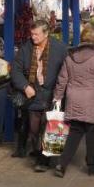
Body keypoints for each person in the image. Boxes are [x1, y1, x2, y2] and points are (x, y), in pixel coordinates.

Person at [52, 24, 94, 178]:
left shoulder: (69, 57)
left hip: (75, 101)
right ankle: (93, 167)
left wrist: (57, 98)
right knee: (93, 136)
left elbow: (62, 80)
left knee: (74, 134)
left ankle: (62, 164)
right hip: (93, 101)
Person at [10, 19, 67, 172]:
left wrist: (62, 92)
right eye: (31, 34)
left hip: (54, 93)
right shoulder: (26, 48)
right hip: (33, 95)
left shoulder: (60, 48)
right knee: (35, 129)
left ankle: (44, 160)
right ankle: (40, 152)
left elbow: (67, 71)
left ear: (46, 33)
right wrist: (25, 86)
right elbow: (15, 70)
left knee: (51, 127)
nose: (33, 37)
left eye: (36, 34)